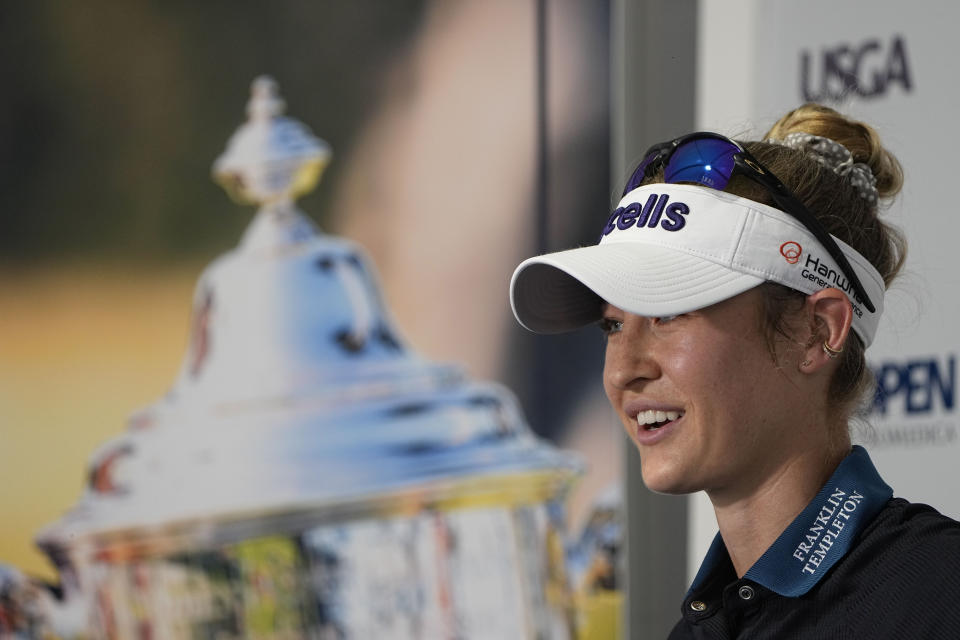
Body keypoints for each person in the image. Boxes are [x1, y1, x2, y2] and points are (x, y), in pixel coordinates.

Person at [509, 103, 960, 638]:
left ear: (817, 332)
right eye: (611, 326)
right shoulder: (698, 629)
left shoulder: (939, 594)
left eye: (669, 312)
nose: (622, 372)